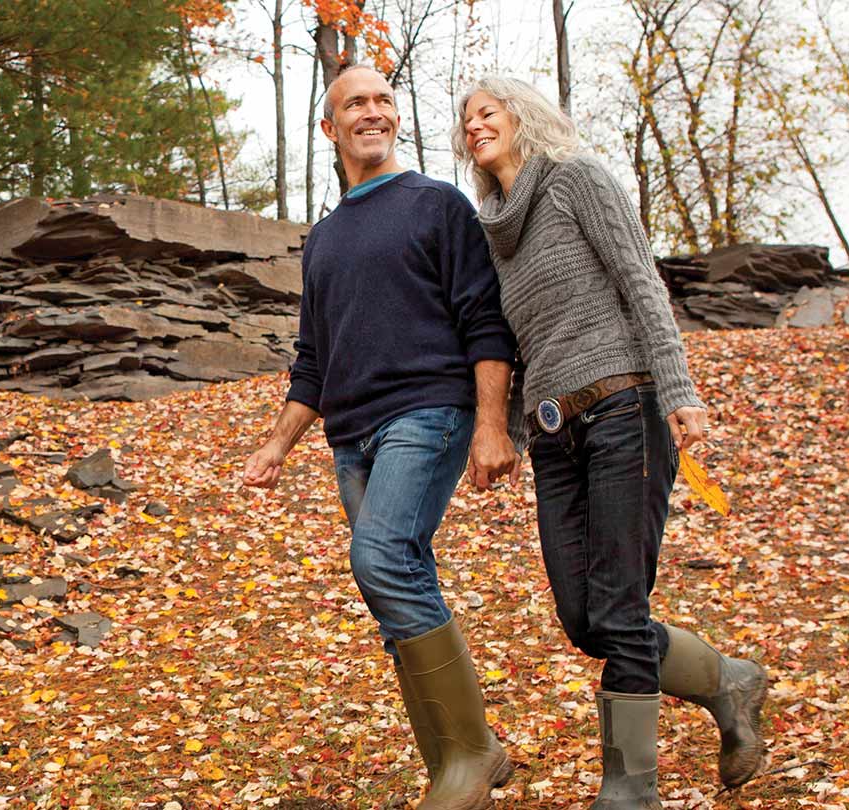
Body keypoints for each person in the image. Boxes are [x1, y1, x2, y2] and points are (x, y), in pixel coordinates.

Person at [454, 75, 769, 808]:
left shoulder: (576, 178)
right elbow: (509, 338)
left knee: (620, 610)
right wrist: (495, 424)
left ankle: (630, 791)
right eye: (465, 122)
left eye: (487, 112)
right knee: (583, 618)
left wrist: (680, 389)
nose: (474, 127)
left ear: (523, 116)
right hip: (554, 433)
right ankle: (728, 681)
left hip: (627, 405)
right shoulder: (494, 227)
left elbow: (640, 281)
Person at [241, 63, 517, 810]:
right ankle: (459, 766)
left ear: (396, 118)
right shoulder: (324, 238)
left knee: (381, 556)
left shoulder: (438, 205)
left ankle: (469, 758)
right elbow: (314, 361)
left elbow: (485, 322)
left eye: (383, 100)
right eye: (354, 103)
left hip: (429, 411)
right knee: (391, 585)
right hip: (351, 436)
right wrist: (276, 444)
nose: (373, 111)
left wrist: (492, 425)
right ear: (330, 129)